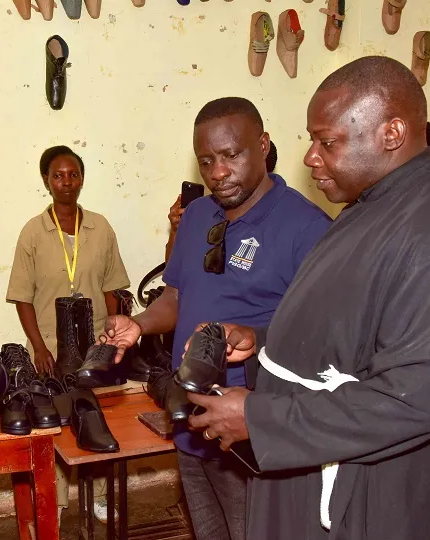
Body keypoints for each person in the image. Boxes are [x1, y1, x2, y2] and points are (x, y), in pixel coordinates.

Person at [185, 56, 430, 540]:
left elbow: (410, 398)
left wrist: (261, 417)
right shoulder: (372, 205)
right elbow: (356, 331)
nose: (311, 156)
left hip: (380, 488)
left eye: (326, 142)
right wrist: (262, 345)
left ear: (391, 132)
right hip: (319, 454)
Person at [103, 97, 331, 540]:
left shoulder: (307, 229)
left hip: (249, 430)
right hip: (189, 418)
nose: (218, 172)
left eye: (232, 155)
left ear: (263, 146)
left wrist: (255, 337)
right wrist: (140, 324)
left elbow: (324, 341)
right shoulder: (197, 218)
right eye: (206, 161)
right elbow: (177, 296)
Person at [6, 145, 130, 523]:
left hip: (94, 345)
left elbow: (112, 288)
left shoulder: (100, 226)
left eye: (73, 174)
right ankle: (54, 505)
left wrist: (113, 335)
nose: (66, 182)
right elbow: (22, 298)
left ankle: (98, 496)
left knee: (96, 419)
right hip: (50, 347)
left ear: (82, 179)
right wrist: (40, 348)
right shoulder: (32, 232)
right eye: (58, 175)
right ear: (46, 180)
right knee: (56, 425)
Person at [166, 140, 279, 263]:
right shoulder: (204, 210)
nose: (221, 173)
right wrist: (176, 230)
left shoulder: (284, 221)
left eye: (232, 156)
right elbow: (172, 271)